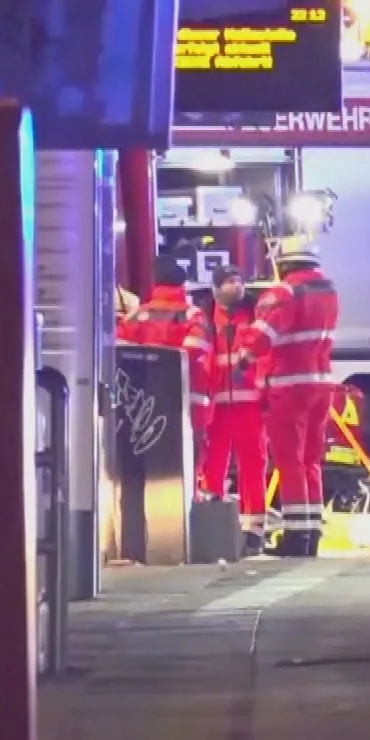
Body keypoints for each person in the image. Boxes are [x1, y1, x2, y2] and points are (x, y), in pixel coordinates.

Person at [237, 236, 340, 557]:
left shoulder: (283, 293)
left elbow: (262, 338)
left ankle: (295, 538)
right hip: (321, 384)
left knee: (289, 461)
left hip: (288, 386)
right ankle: (311, 532)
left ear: (283, 263)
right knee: (311, 460)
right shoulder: (328, 290)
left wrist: (243, 354)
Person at [201, 266, 270, 548]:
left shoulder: (253, 314)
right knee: (213, 464)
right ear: (216, 287)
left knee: (253, 463)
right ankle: (211, 522)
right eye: (229, 281)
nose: (236, 286)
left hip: (249, 402)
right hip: (217, 403)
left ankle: (254, 528)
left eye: (238, 280)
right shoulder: (205, 316)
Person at [118, 252, 213, 440]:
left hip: (145, 400)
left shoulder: (135, 315)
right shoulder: (193, 315)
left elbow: (120, 352)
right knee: (188, 454)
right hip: (186, 397)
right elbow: (195, 350)